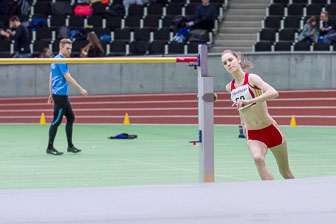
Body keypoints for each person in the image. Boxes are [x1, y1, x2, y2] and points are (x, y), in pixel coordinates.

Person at [222, 50, 294, 180]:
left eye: (230, 60)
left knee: (285, 171)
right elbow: (239, 106)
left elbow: (273, 92)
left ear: (238, 59)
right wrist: (243, 123)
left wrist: (250, 101)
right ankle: (272, 193)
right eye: (225, 63)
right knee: (257, 159)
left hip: (270, 129)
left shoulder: (252, 78)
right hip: (253, 133)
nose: (228, 64)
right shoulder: (229, 87)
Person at [46, 38, 88, 156]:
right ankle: (50, 147)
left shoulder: (56, 60)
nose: (69, 51)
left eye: (70, 49)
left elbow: (51, 77)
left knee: (71, 117)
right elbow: (68, 78)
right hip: (60, 96)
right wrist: (81, 89)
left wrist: (50, 93)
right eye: (67, 49)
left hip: (60, 95)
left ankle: (70, 146)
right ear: (61, 48)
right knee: (56, 121)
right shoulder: (60, 61)